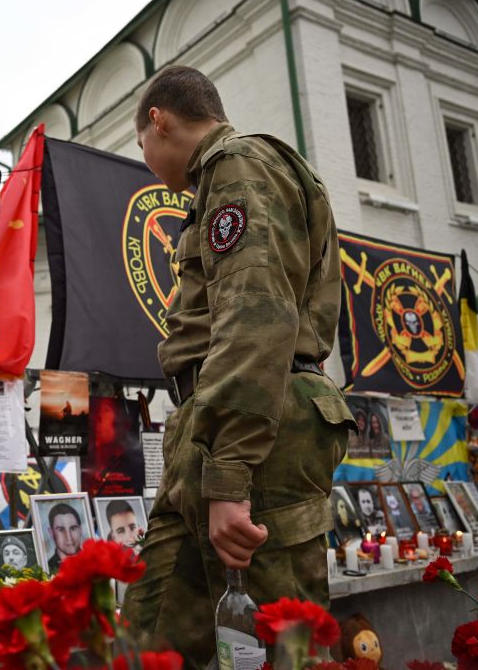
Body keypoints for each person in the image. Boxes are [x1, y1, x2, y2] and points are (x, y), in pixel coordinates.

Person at [120, 66, 354, 668]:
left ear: (158, 121)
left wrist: (229, 478)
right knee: (148, 638)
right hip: (215, 423)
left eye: (140, 144)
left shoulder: (237, 166)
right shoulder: (222, 180)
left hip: (259, 431)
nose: (145, 159)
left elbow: (257, 319)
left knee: (284, 646)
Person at [45, 503, 84, 574]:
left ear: (81, 529)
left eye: (73, 528)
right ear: (51, 533)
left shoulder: (94, 562)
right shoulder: (47, 569)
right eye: (61, 530)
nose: (69, 537)